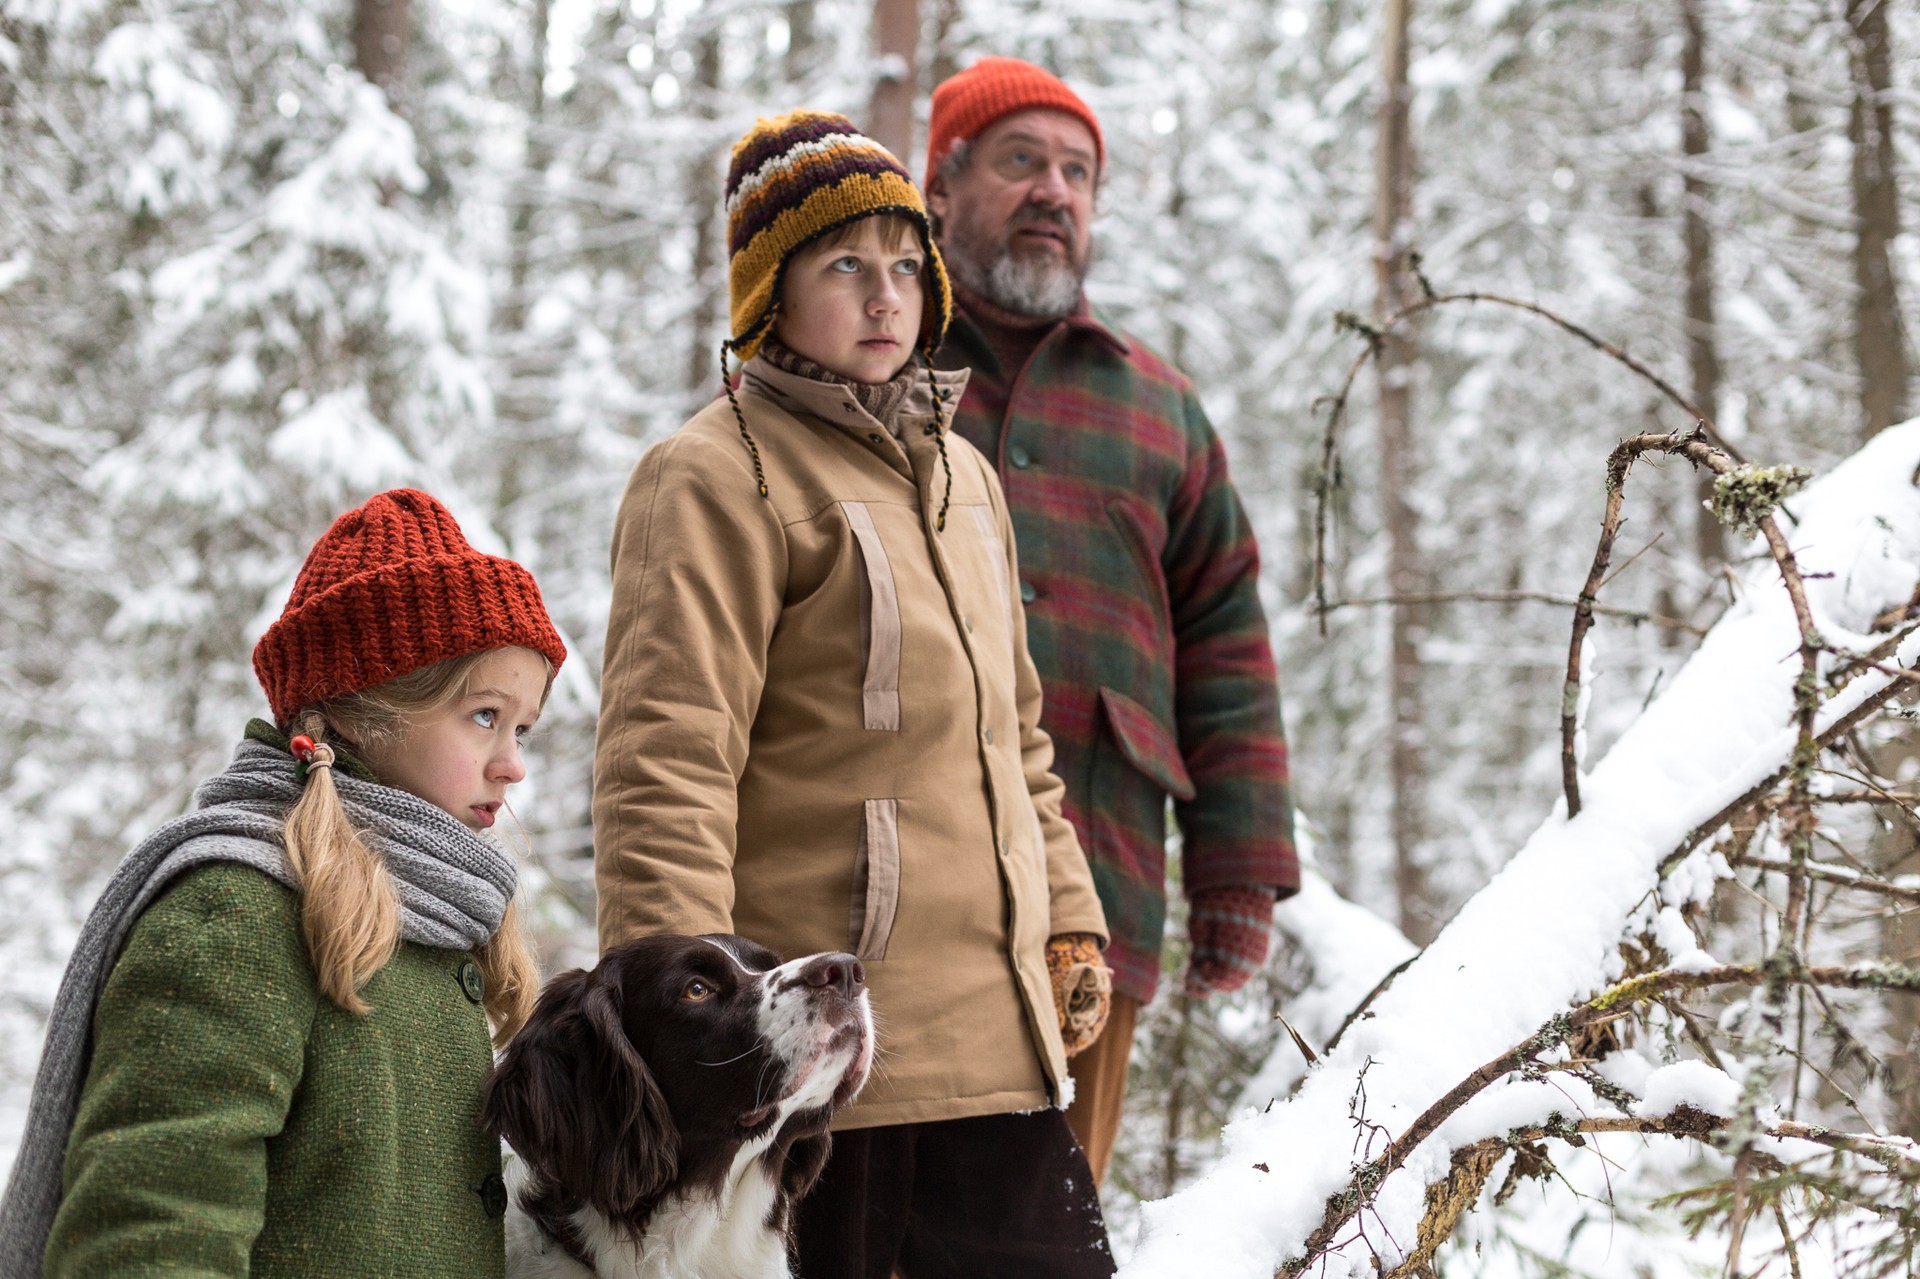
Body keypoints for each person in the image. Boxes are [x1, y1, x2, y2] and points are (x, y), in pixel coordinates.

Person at [592, 110, 1117, 1277]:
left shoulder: (966, 478)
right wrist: (675, 1052)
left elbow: (1013, 736)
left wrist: (1067, 915)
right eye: (844, 267)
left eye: (902, 268)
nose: (885, 298)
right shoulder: (715, 475)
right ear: (769, 294)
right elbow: (668, 763)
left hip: (999, 1050)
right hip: (822, 1078)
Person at [0, 488, 568, 1279]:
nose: (513, 762)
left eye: (523, 728)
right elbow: (155, 1227)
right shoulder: (236, 911)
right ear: (370, 710)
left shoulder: (435, 915)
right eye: (483, 715)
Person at [924, 57, 1301, 1183]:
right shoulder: (872, 363)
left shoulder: (1159, 406)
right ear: (941, 187)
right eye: (1020, 161)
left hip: (1101, 889)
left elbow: (1228, 641)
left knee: (1055, 1221)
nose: (1054, 191)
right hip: (890, 900)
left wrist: (1237, 866)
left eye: (1077, 171)